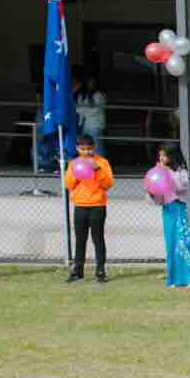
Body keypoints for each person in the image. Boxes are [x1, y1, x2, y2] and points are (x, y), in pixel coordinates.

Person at [150, 144, 190, 288]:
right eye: (160, 155)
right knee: (171, 243)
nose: (161, 158)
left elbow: (180, 187)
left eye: (164, 155)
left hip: (178, 209)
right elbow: (156, 193)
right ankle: (173, 279)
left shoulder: (181, 172)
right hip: (167, 210)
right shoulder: (159, 170)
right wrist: (152, 191)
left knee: (184, 242)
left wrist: (166, 173)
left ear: (172, 156)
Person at [64, 134, 114, 283]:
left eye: (89, 149)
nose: (86, 152)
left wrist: (97, 170)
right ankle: (78, 270)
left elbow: (108, 184)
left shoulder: (102, 162)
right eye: (83, 149)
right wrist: (76, 173)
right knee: (80, 239)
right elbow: (68, 184)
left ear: (94, 148)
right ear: (77, 148)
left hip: (97, 206)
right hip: (80, 206)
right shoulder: (73, 163)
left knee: (98, 238)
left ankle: (100, 270)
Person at [77, 75, 108, 147]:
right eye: (89, 82)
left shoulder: (99, 95)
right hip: (84, 125)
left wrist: (83, 111)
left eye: (92, 83)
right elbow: (78, 109)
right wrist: (80, 124)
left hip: (96, 124)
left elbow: (97, 109)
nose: (90, 84)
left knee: (97, 146)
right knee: (87, 146)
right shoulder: (82, 95)